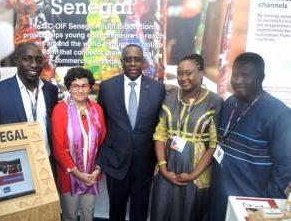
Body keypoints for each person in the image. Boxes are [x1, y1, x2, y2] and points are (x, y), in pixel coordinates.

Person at [206, 52, 291, 221]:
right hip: (218, 197)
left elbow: (285, 167)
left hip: (250, 206)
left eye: (245, 75)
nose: (238, 80)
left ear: (261, 77)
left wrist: (266, 204)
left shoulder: (279, 114)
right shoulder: (230, 102)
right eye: (235, 74)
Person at [96, 44, 165, 221]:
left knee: (140, 210)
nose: (133, 63)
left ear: (143, 62)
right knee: (116, 210)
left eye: (137, 59)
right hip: (116, 160)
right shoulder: (107, 87)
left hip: (144, 161)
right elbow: (101, 122)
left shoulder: (158, 89)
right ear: (122, 62)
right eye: (128, 59)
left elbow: (160, 124)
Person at [150, 54, 222, 221]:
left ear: (201, 73)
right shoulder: (169, 97)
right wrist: (163, 168)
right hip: (166, 168)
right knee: (162, 211)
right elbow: (160, 134)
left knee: (189, 213)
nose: (183, 78)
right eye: (179, 73)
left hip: (196, 172)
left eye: (188, 73)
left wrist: (194, 175)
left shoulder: (214, 101)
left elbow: (213, 144)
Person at [51, 67, 106, 221]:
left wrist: (97, 169)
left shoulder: (97, 109)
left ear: (90, 87)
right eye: (75, 86)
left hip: (92, 174)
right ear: (69, 87)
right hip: (69, 175)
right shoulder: (60, 110)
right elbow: (59, 149)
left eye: (84, 86)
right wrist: (78, 174)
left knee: (89, 213)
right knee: (70, 215)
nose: (80, 90)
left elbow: (103, 141)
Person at [0, 42, 58, 159]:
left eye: (39, 60)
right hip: (17, 166)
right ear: (16, 60)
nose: (34, 64)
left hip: (46, 161)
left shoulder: (50, 90)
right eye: (27, 59)